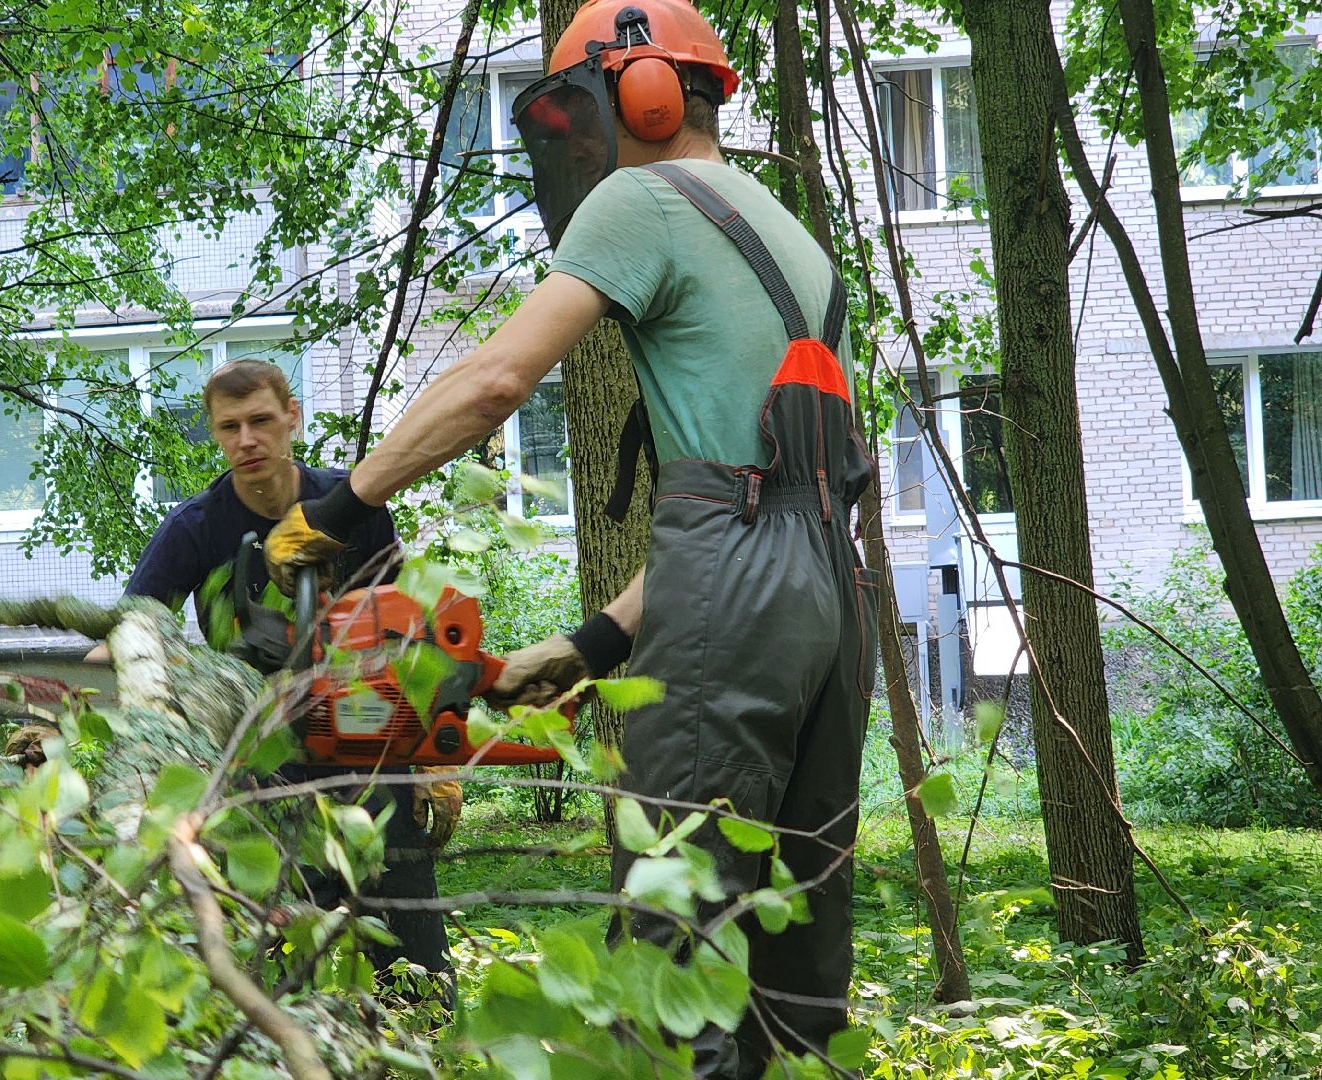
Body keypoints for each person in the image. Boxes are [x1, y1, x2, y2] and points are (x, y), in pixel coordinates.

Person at [261, 1, 874, 1075]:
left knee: (674, 937)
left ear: (643, 93)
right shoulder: (793, 239)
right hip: (831, 586)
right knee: (793, 952)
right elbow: (762, 500)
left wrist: (342, 503)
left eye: (578, 112)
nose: (575, 144)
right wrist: (596, 643)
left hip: (738, 583)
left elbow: (496, 380)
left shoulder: (643, 198)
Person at [89, 356, 460, 990]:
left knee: (415, 965)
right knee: (288, 967)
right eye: (229, 426)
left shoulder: (354, 506)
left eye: (261, 420)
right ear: (213, 433)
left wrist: (432, 756)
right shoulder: (195, 530)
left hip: (370, 755)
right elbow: (131, 629)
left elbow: (407, 639)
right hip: (262, 769)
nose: (247, 440)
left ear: (294, 418)